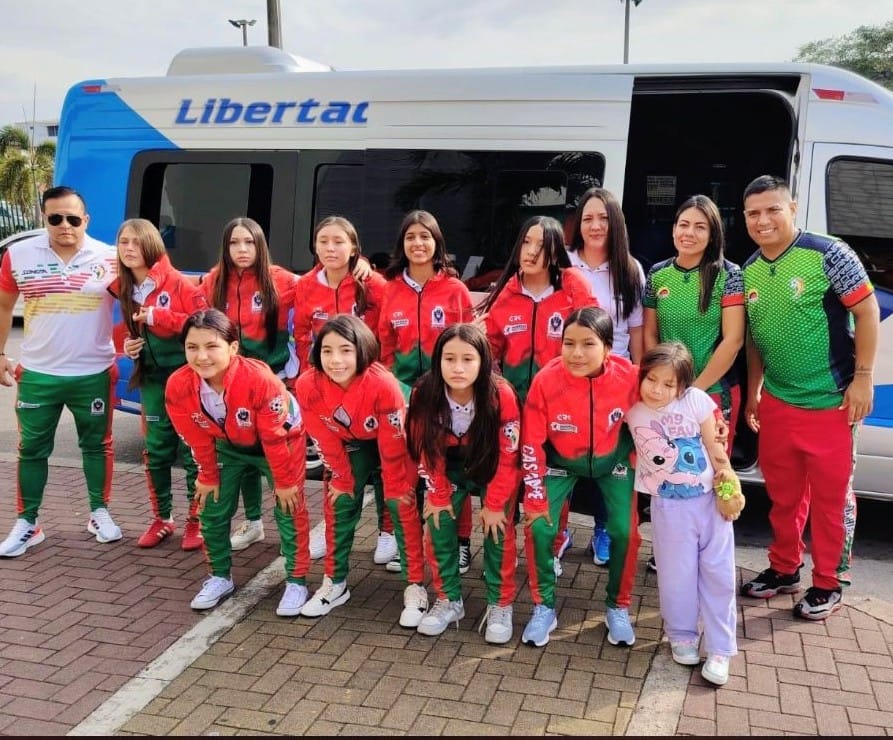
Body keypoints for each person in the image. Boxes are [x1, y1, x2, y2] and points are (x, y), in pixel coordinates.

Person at [738, 175, 879, 621]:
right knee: (783, 496)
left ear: (793, 209)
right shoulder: (749, 269)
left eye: (772, 210)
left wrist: (863, 378)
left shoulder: (829, 254)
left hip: (832, 403)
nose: (763, 220)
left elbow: (867, 310)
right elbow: (754, 339)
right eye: (753, 213)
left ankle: (829, 582)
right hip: (779, 402)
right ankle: (784, 569)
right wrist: (755, 390)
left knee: (831, 501)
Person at [0, 186, 123, 557]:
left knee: (97, 446)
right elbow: (3, 305)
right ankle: (28, 523)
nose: (65, 225)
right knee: (31, 449)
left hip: (94, 372)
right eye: (55, 218)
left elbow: (139, 300)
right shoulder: (19, 255)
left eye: (73, 218)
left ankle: (99, 513)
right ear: (45, 218)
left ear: (86, 220)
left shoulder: (111, 257)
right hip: (38, 373)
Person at [165, 309, 312, 615]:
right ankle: (219, 576)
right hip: (229, 445)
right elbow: (195, 436)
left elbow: (274, 437)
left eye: (212, 346)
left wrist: (285, 482)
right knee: (210, 506)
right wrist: (207, 474)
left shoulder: (259, 379)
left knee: (289, 506)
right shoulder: (178, 385)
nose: (201, 356)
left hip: (280, 441)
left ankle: (297, 581)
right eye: (192, 347)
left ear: (233, 347)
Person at [478, 215, 596, 577]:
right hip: (512, 410)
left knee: (551, 481)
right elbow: (488, 350)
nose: (531, 252)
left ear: (556, 252)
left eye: (542, 246)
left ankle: (551, 546)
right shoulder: (507, 293)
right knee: (507, 478)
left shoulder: (572, 288)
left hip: (559, 409)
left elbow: (594, 337)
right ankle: (504, 549)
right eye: (526, 243)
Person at [293, 315, 427, 626]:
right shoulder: (307, 384)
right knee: (340, 500)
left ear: (362, 350)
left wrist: (397, 487)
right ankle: (334, 582)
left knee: (401, 501)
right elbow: (323, 437)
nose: (335, 360)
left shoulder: (383, 384)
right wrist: (342, 478)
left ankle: (415, 585)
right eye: (327, 351)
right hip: (352, 439)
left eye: (345, 350)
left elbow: (393, 450)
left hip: (400, 434)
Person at [520, 306, 640, 648]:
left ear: (608, 346)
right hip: (560, 462)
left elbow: (669, 404)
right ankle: (544, 607)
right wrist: (534, 497)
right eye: (568, 343)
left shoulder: (630, 377)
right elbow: (531, 442)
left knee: (625, 532)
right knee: (538, 526)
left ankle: (618, 606)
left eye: (588, 344)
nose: (576, 353)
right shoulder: (546, 380)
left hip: (613, 462)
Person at [626, 342, 744, 686]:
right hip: (668, 507)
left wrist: (727, 485)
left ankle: (720, 649)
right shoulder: (630, 407)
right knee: (675, 576)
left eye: (669, 384)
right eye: (651, 379)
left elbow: (714, 446)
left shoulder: (696, 401)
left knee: (719, 576)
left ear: (683, 386)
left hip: (709, 504)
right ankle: (682, 636)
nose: (657, 389)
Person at [642, 194, 745, 572]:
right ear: (673, 230)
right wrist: (663, 386)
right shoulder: (658, 275)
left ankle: (712, 553)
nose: (689, 233)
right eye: (683, 224)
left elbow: (733, 340)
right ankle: (668, 550)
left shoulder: (729, 275)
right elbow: (650, 335)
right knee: (671, 469)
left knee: (714, 470)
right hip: (667, 394)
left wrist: (695, 391)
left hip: (712, 392)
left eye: (700, 226)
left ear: (713, 233)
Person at [293, 216, 397, 569]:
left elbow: (388, 333)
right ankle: (330, 526)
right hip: (328, 389)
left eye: (339, 241)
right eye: (323, 241)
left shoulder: (373, 284)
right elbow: (303, 335)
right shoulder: (306, 285)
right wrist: (310, 378)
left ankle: (387, 530)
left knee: (385, 461)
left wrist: (383, 377)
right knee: (333, 460)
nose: (330, 248)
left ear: (354, 247)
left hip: (372, 389)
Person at [406, 323, 521, 642]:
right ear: (437, 361)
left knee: (498, 529)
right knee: (438, 523)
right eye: (449, 359)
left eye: (468, 359)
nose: (458, 368)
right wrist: (438, 493)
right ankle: (449, 600)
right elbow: (425, 449)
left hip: (492, 465)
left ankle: (500, 603)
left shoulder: (501, 393)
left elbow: (509, 454)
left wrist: (494, 504)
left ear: (483, 361)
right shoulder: (424, 392)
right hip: (448, 466)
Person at [378, 210, 476, 574]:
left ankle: (461, 543)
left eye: (425, 236)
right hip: (404, 397)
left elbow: (471, 346)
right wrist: (398, 390)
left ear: (437, 243)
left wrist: (457, 388)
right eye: (411, 237)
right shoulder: (390, 290)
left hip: (450, 395)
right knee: (410, 472)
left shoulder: (455, 290)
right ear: (401, 244)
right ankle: (411, 545)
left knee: (453, 472)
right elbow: (386, 347)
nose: (418, 243)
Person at [200, 218, 299, 554]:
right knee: (242, 452)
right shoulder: (214, 281)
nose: (241, 249)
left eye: (249, 242)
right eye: (234, 243)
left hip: (273, 384)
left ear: (260, 245)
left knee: (276, 458)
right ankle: (253, 523)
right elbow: (187, 310)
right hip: (230, 386)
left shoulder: (282, 279)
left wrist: (359, 264)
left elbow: (325, 284)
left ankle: (291, 538)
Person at [110, 218, 207, 550]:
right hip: (150, 379)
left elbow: (203, 325)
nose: (129, 249)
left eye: (136, 242)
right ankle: (162, 518)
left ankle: (197, 521)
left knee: (193, 451)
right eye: (124, 242)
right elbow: (128, 330)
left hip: (187, 379)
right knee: (156, 451)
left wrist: (156, 316)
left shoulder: (178, 283)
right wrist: (129, 345)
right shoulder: (124, 286)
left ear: (152, 244)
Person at [564, 187, 646, 568]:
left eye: (603, 218)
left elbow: (637, 335)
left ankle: (602, 529)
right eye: (588, 218)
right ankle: (560, 529)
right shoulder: (563, 264)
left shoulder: (630, 269)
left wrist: (639, 384)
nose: (596, 226)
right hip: (568, 377)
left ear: (616, 223)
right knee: (563, 456)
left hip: (615, 380)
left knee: (610, 459)